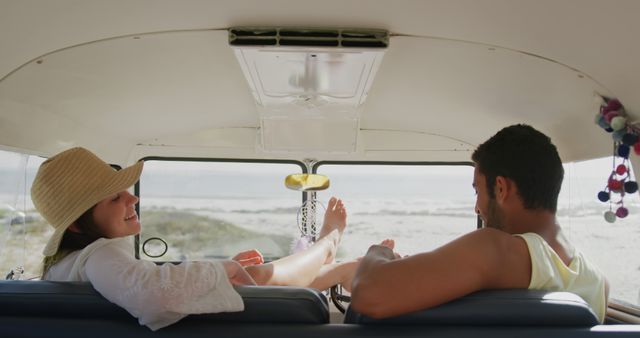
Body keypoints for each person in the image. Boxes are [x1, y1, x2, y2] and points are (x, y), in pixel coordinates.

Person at [31, 147, 361, 330]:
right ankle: (328, 244)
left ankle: (342, 267)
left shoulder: (68, 265)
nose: (132, 200)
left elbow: (139, 282)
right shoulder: (99, 257)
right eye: (114, 199)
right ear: (76, 225)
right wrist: (221, 271)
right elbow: (151, 295)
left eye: (125, 192)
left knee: (241, 273)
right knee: (251, 277)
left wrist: (217, 269)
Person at [350, 124, 608, 322]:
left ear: (501, 187)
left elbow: (369, 293)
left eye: (477, 191)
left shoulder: (496, 249)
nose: (477, 207)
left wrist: (378, 253)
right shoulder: (597, 283)